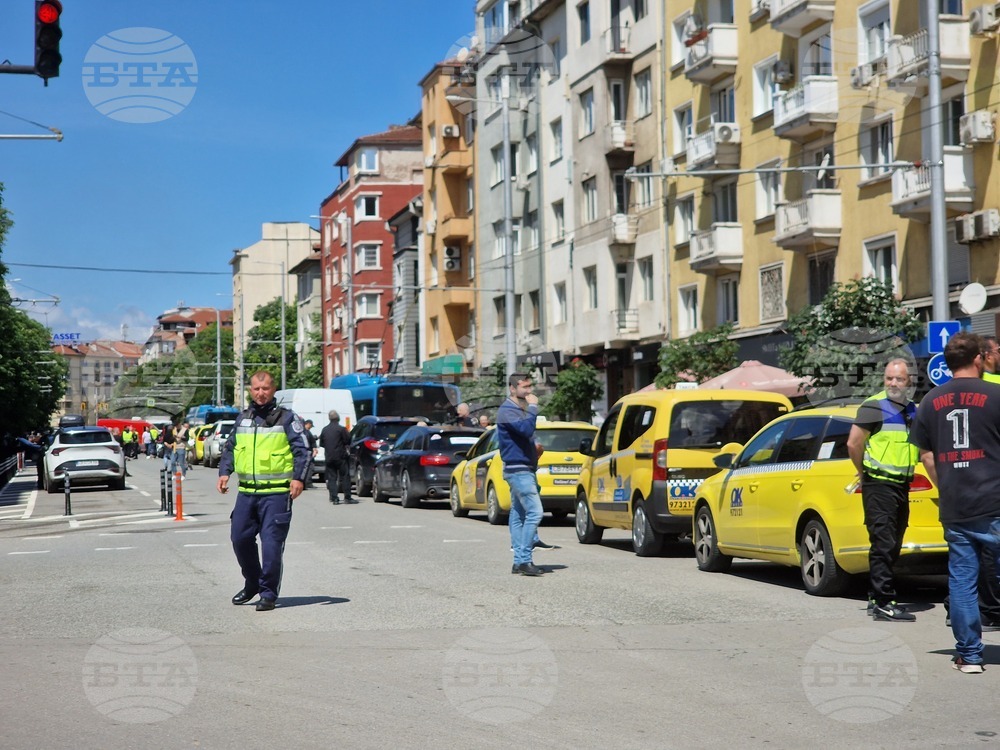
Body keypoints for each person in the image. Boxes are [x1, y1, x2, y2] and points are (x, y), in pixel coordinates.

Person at [909, 332, 1000, 673]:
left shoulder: (930, 401)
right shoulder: (996, 395)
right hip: (994, 500)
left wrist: (946, 484)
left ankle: (970, 656)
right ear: (978, 358)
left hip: (956, 505)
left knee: (963, 581)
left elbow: (926, 455)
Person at [217, 370, 311, 612]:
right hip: (247, 493)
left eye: (265, 388)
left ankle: (268, 593)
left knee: (271, 545)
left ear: (273, 390)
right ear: (250, 390)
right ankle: (252, 582)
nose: (261, 393)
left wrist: (299, 478)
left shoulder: (287, 418)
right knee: (239, 539)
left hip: (277, 494)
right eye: (257, 389)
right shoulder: (243, 418)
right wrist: (224, 472)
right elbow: (230, 447)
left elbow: (303, 450)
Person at [847, 358, 919, 622]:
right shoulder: (874, 406)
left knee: (894, 543)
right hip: (878, 484)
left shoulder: (912, 409)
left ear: (909, 381)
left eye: (899, 379)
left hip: (902, 485)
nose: (893, 383)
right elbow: (854, 443)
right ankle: (884, 602)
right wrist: (863, 472)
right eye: (889, 378)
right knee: (883, 543)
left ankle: (876, 597)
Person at [497, 373, 545, 576]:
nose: (529, 391)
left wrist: (535, 448)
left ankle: (518, 562)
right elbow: (525, 430)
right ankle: (525, 559)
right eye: (524, 387)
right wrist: (533, 407)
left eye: (530, 386)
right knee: (535, 512)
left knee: (519, 515)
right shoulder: (507, 410)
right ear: (512, 388)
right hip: (518, 471)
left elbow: (524, 436)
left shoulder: (517, 410)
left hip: (523, 468)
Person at [320, 410, 353, 505]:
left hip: (329, 457)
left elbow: (321, 443)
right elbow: (348, 440)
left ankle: (334, 497)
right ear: (338, 418)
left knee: (332, 478)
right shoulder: (341, 429)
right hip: (340, 457)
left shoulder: (325, 430)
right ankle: (347, 497)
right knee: (345, 476)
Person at [302, 419, 318, 490]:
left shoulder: (306, 432)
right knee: (309, 467)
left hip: (308, 452)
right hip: (306, 453)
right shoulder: (304, 432)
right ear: (308, 424)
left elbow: (312, 441)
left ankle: (307, 483)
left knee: (309, 468)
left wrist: (314, 449)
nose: (311, 427)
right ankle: (307, 483)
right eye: (311, 426)